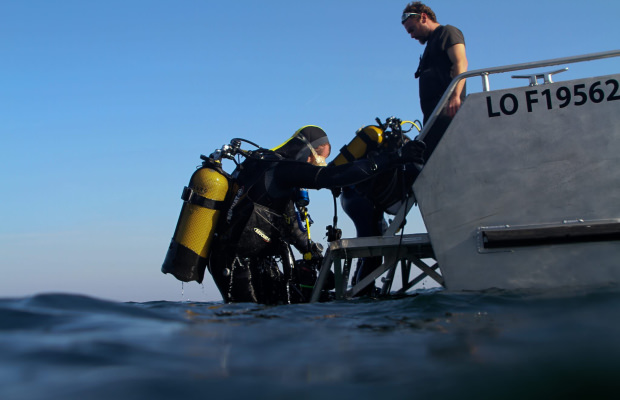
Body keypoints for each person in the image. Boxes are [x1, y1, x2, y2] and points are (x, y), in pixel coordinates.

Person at [207, 126, 425, 305]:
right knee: (248, 321)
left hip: (245, 258)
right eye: (319, 159)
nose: (317, 164)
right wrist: (393, 159)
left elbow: (290, 223)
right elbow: (331, 176)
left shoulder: (266, 166)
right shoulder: (280, 167)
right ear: (307, 151)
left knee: (275, 308)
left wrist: (311, 251)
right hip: (235, 262)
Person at [402, 1, 468, 157]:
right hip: (433, 115)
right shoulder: (430, 45)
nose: (412, 35)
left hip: (447, 111)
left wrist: (455, 96)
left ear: (423, 18)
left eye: (412, 29)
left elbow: (461, 62)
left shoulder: (447, 32)